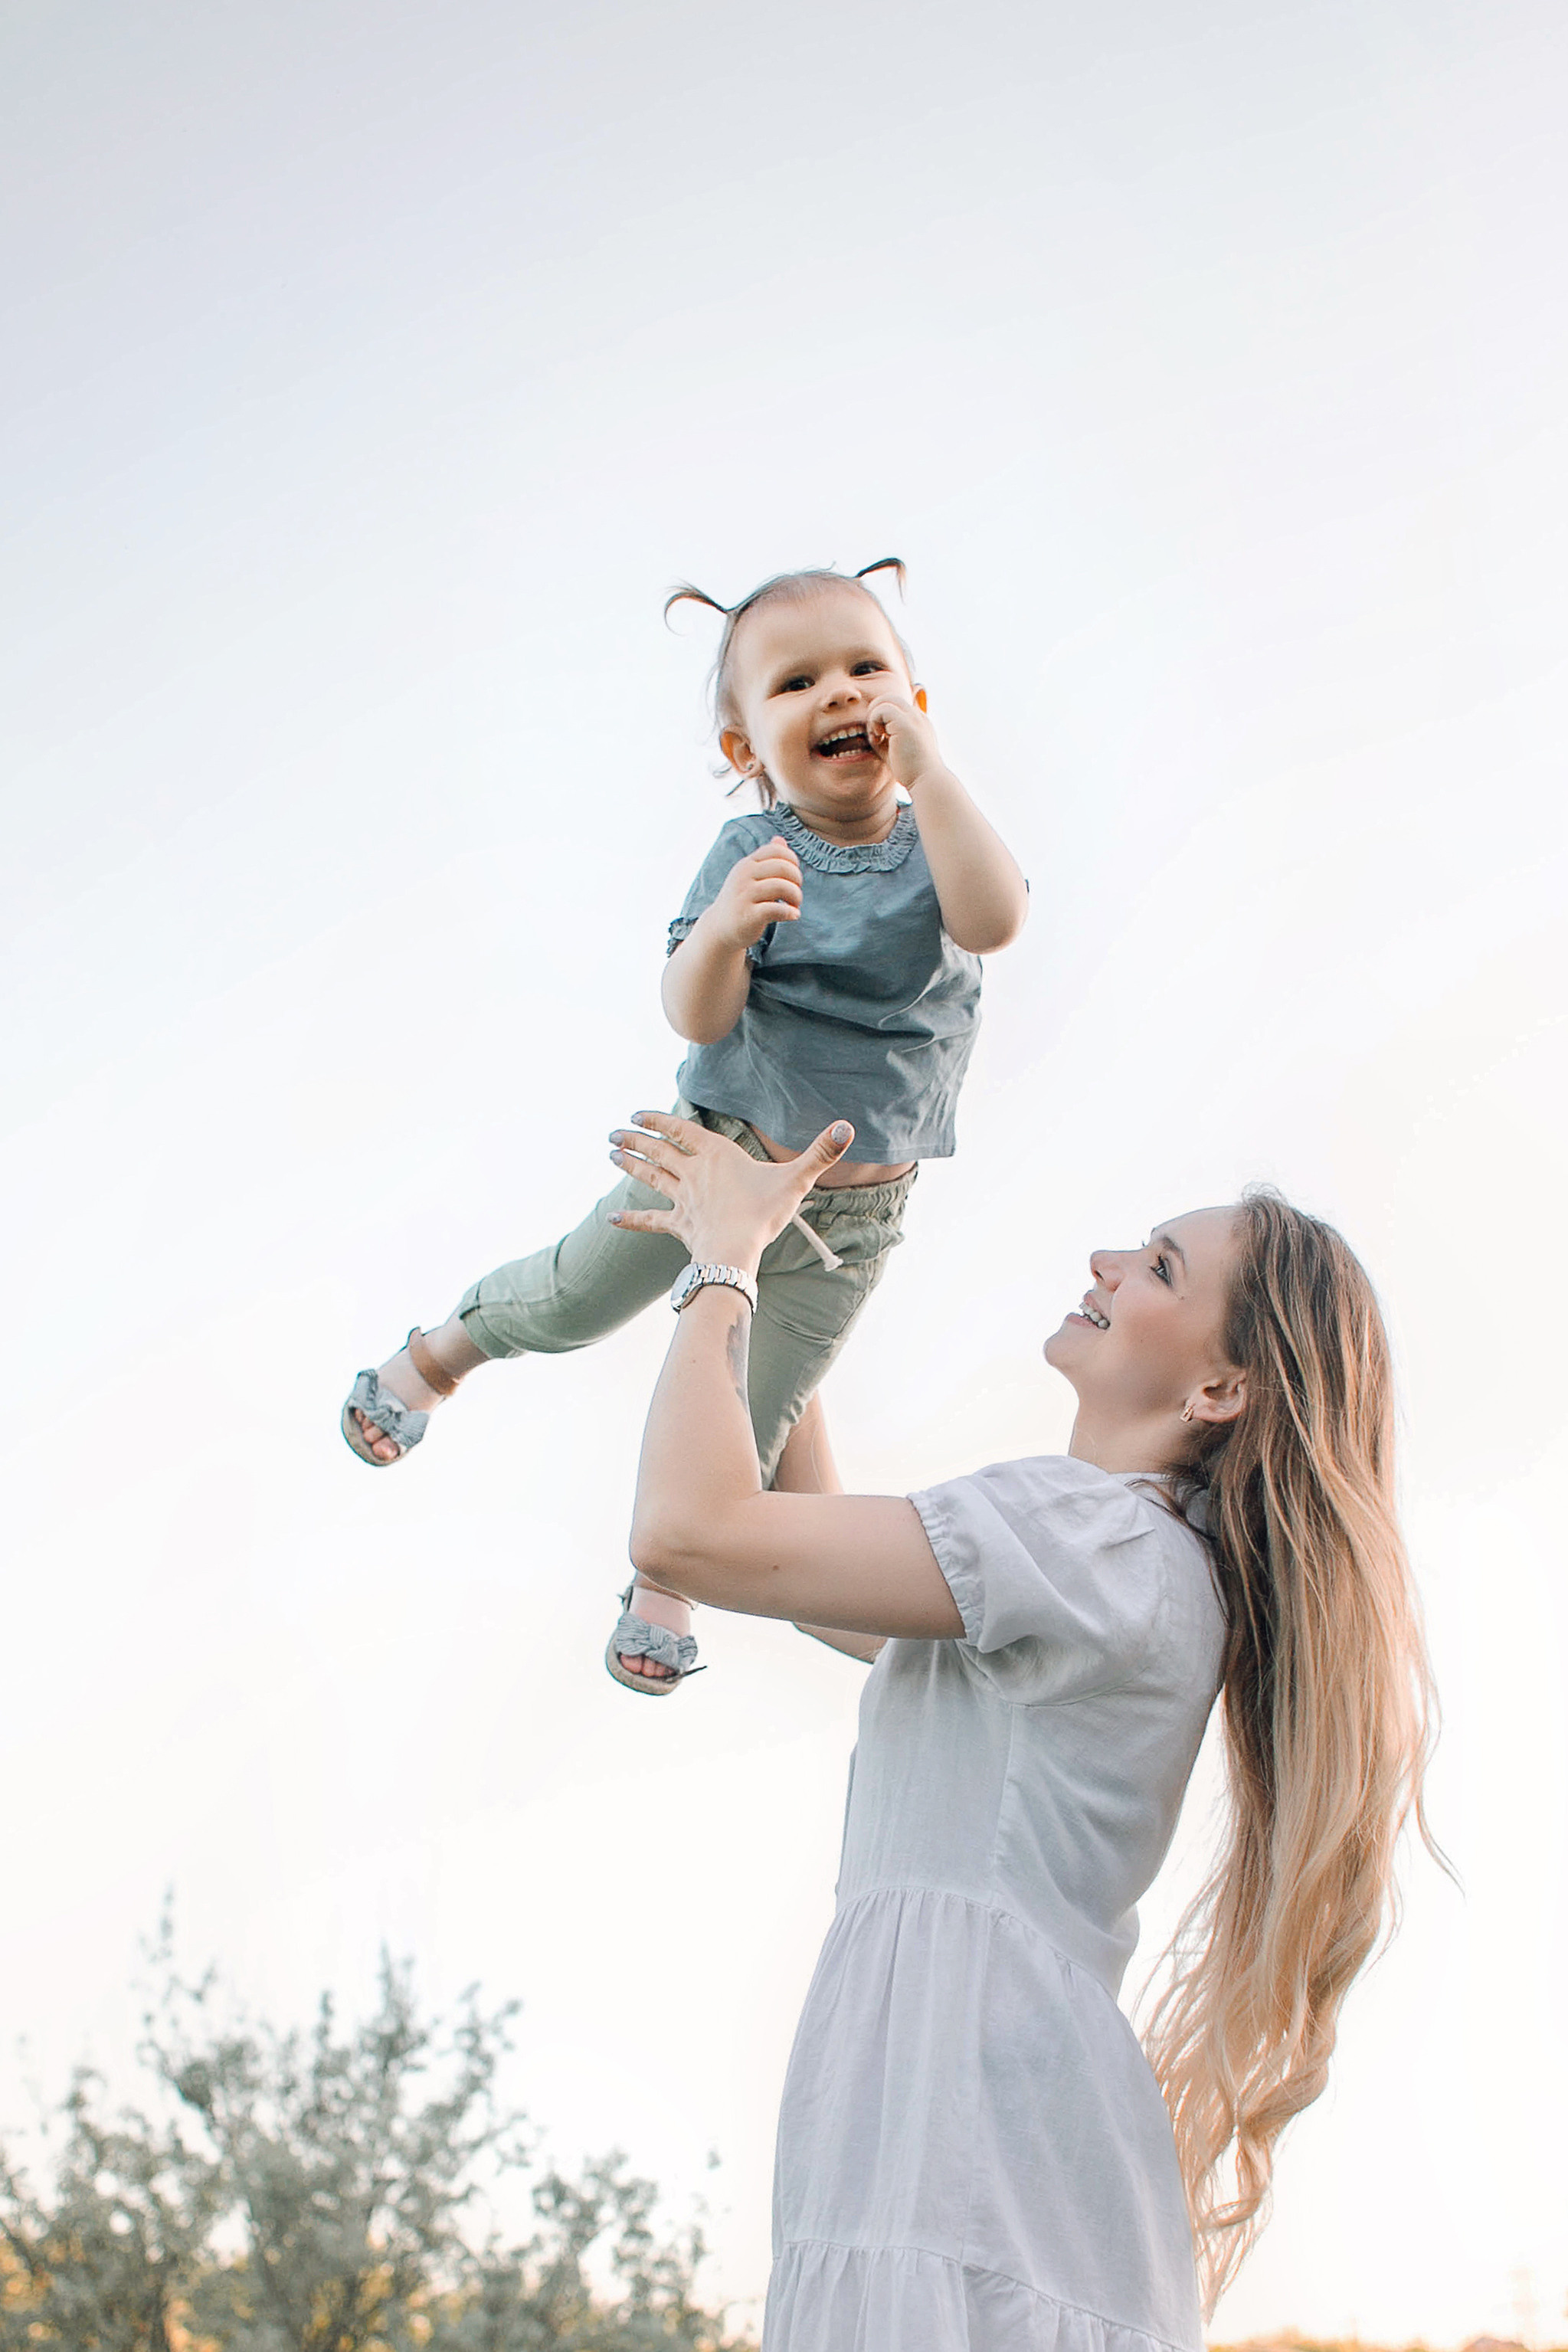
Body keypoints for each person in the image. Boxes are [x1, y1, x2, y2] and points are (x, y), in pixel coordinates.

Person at [604, 1106, 1437, 2347]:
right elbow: (801, 1536)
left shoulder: (1092, 1539)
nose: (1108, 1261)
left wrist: (721, 1265)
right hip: (956, 2140)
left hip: (968, 2158)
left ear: (1220, 1387)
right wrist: (789, 1273)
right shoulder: (1123, 1562)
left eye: (1160, 1266)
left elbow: (694, 1531)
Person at [339, 560, 1028, 1695]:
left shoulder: (938, 836)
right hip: (714, 1153)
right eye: (797, 681)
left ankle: (668, 1584)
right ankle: (438, 1355)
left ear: (914, 700)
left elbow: (993, 920)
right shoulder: (751, 859)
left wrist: (935, 773)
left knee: (754, 1407)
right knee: (574, 1294)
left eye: (868, 668)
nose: (841, 694)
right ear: (747, 750)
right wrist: (719, 931)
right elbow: (693, 1008)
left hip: (845, 1217)